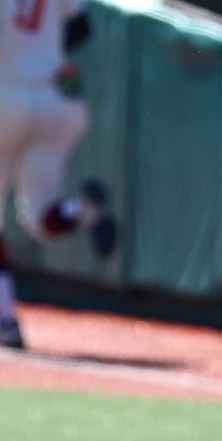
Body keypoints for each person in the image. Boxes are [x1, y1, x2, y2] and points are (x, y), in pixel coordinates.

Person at [0, 0, 115, 348]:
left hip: (7, 99)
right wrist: (46, 60)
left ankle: (5, 320)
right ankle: (80, 211)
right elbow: (81, 27)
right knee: (38, 217)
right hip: (58, 97)